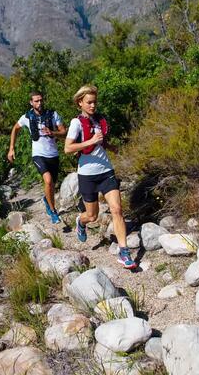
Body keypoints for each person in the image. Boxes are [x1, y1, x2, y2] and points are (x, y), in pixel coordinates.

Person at [64, 85, 137, 269]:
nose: (93, 105)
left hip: (106, 171)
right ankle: (80, 221)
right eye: (89, 102)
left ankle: (124, 252)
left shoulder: (99, 120)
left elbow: (101, 141)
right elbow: (68, 148)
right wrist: (90, 142)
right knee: (92, 215)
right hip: (87, 175)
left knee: (117, 209)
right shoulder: (76, 123)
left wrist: (111, 148)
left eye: (95, 102)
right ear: (80, 103)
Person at [8, 91, 66, 223]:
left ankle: (47, 199)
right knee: (48, 180)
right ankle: (53, 211)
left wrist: (53, 132)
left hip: (53, 155)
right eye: (36, 101)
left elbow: (64, 132)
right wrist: (11, 148)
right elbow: (15, 129)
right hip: (38, 155)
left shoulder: (53, 114)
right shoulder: (27, 117)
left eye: (41, 100)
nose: (39, 103)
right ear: (31, 102)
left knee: (52, 185)